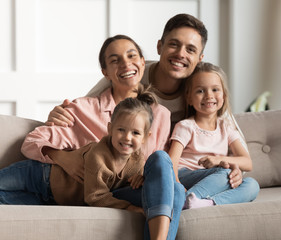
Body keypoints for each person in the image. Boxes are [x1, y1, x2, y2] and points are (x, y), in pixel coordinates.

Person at [1, 34, 184, 240]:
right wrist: (64, 158)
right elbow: (33, 140)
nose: (125, 63)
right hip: (71, 186)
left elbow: (156, 163)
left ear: (143, 62)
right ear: (105, 72)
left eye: (132, 56)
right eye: (115, 60)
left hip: (119, 191)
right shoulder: (84, 108)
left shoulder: (161, 115)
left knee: (175, 191)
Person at [47, 13, 245, 190]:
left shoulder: (201, 89)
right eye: (174, 44)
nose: (181, 54)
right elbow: (91, 108)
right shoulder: (132, 74)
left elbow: (228, 134)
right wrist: (58, 114)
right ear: (159, 46)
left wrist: (232, 167)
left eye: (190, 50)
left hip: (171, 168)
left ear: (199, 58)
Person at [0, 87, 155, 213]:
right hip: (39, 175)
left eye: (135, 133)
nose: (127, 137)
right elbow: (95, 197)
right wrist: (128, 207)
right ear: (110, 129)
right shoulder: (99, 156)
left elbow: (133, 178)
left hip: (53, 199)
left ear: (144, 138)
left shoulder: (137, 160)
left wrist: (140, 177)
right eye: (121, 130)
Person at [168, 62, 260, 209]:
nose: (209, 96)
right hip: (186, 175)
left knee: (252, 185)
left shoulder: (227, 127)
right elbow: (171, 162)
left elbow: (247, 163)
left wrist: (218, 160)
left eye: (215, 89)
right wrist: (177, 186)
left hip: (215, 177)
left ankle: (205, 203)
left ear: (223, 95)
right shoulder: (186, 126)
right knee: (224, 174)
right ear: (189, 98)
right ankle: (183, 199)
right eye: (200, 91)